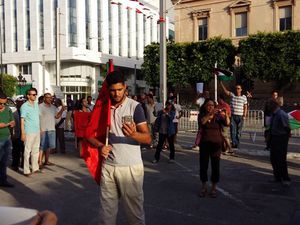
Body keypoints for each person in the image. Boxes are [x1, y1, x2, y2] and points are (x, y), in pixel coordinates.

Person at [86, 70, 151, 225]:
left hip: (130, 168)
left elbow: (148, 138)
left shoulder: (135, 107)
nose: (116, 94)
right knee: (106, 214)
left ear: (125, 88)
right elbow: (88, 134)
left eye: (119, 90)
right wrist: (101, 145)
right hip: (108, 167)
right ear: (108, 90)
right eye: (113, 90)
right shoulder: (102, 107)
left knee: (134, 214)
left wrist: (134, 135)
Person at [198, 99, 230, 198]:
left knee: (215, 166)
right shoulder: (202, 115)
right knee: (203, 166)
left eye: (212, 105)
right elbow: (202, 122)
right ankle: (203, 187)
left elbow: (227, 124)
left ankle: (213, 188)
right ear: (204, 106)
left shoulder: (218, 116)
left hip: (216, 144)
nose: (210, 107)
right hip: (204, 144)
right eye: (208, 105)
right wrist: (210, 115)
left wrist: (226, 114)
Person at [268, 99, 291, 186]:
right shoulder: (273, 114)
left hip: (281, 138)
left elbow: (287, 128)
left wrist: (285, 140)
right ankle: (277, 177)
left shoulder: (281, 114)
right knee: (273, 158)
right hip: (274, 137)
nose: (268, 107)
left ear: (274, 105)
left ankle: (285, 178)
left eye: (270, 105)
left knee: (281, 159)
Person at [38, 93, 64, 167]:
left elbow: (57, 116)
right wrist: (39, 129)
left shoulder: (53, 107)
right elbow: (37, 118)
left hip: (52, 128)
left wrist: (62, 109)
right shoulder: (40, 107)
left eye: (51, 98)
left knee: (49, 146)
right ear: (44, 98)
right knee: (42, 146)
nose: (50, 99)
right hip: (43, 129)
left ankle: (46, 161)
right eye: (48, 97)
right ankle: (39, 161)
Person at [220, 81, 247, 149]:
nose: (237, 90)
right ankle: (234, 143)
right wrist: (221, 83)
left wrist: (244, 115)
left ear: (241, 89)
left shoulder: (244, 97)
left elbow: (245, 107)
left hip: (240, 116)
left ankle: (236, 142)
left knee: (238, 131)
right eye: (236, 88)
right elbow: (226, 91)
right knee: (233, 131)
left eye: (238, 88)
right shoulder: (232, 95)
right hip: (233, 116)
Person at [21, 88, 41, 177]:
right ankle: (26, 170)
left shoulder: (36, 105)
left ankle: (35, 168)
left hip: (36, 131)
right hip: (28, 131)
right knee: (27, 151)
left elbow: (37, 118)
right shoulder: (24, 106)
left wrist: (40, 129)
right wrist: (23, 133)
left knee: (36, 150)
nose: (35, 96)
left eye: (35, 94)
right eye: (33, 94)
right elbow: (22, 120)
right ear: (28, 96)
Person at [0, 92, 15, 187]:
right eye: (0, 103)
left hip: (6, 138)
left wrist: (12, 123)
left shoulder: (8, 110)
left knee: (4, 161)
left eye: (4, 103)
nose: (2, 106)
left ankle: (3, 180)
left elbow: (12, 120)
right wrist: (6, 124)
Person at [11, 97, 26, 171]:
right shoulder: (13, 113)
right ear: (16, 103)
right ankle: (15, 165)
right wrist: (12, 134)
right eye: (19, 102)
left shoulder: (26, 113)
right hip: (16, 135)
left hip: (24, 135)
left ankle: (23, 164)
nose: (21, 104)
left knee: (24, 150)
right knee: (16, 151)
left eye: (22, 102)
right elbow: (12, 126)